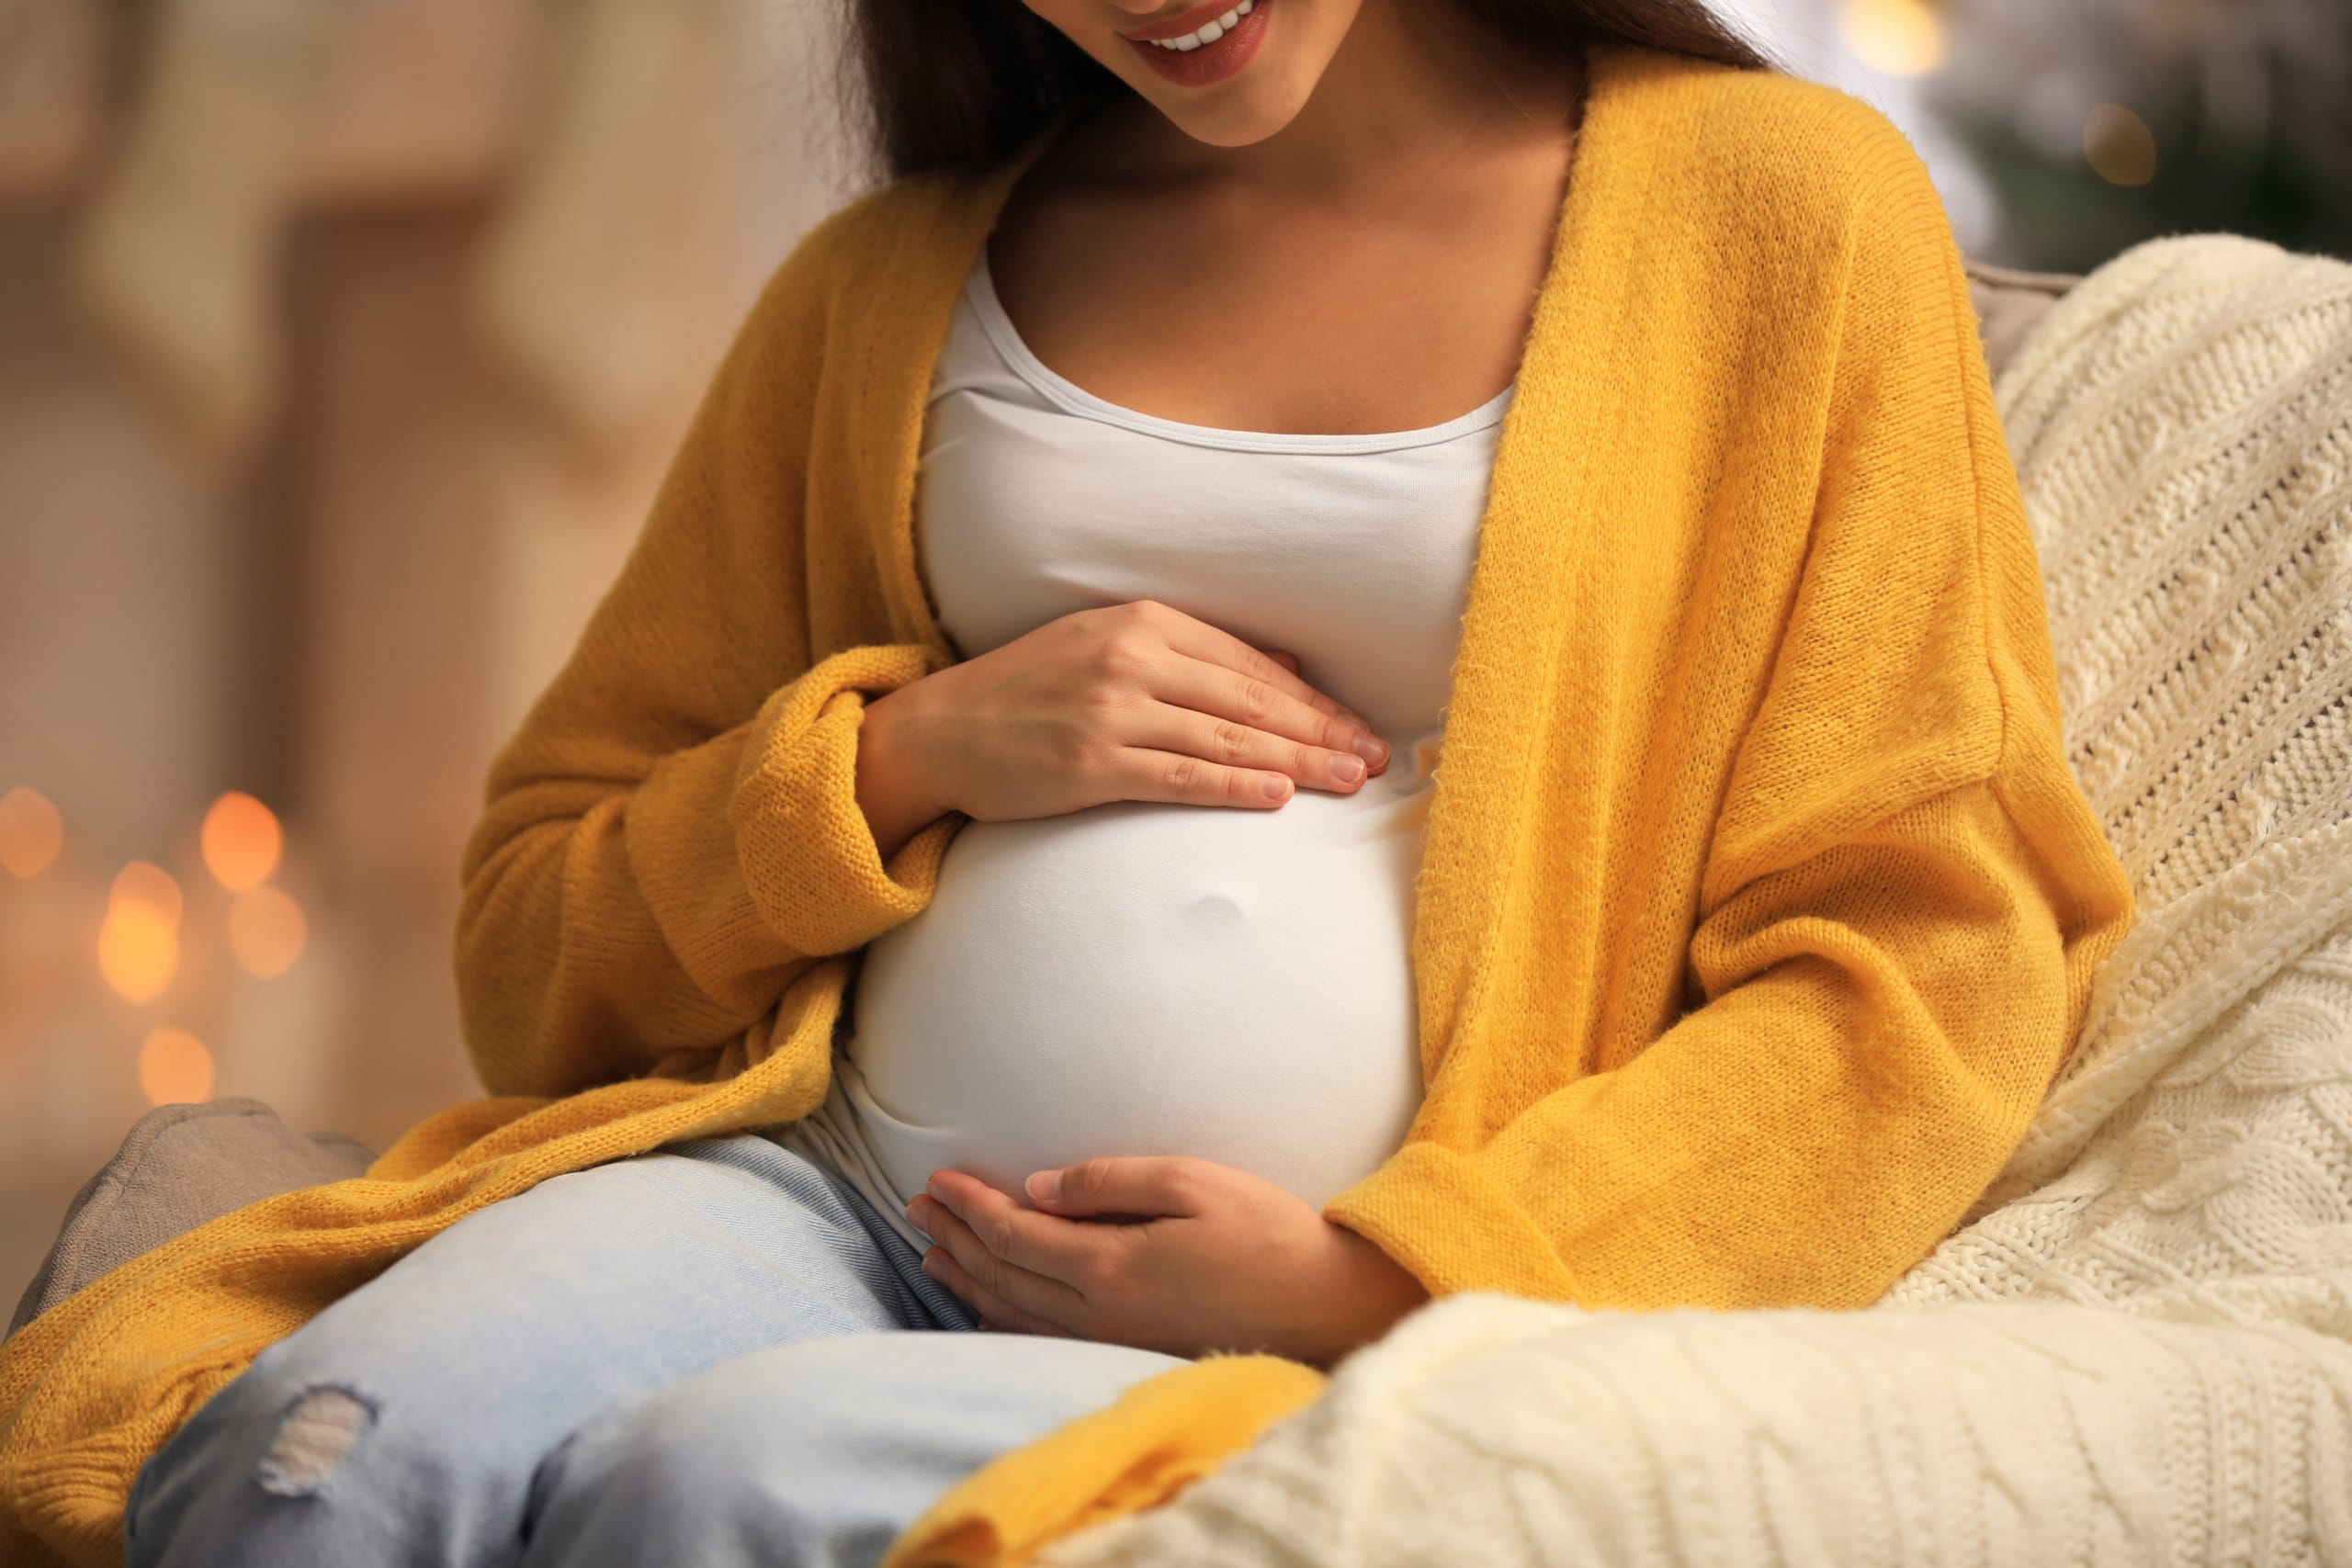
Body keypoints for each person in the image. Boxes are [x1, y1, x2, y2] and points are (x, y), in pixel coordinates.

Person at [92, 1, 2137, 1565]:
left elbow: (1922, 952)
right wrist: (903, 752)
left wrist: (1384, 1271)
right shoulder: (886, 284)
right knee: (325, 1444)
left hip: (1331, 1311)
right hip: (825, 1194)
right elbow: (533, 938)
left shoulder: (1778, 210)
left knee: (711, 1483)